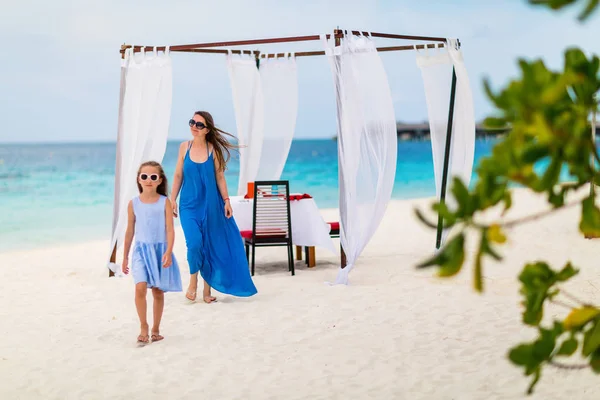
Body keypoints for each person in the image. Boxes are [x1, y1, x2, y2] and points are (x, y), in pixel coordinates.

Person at [170, 111, 257, 303]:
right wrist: (172, 199)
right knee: (194, 244)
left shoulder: (213, 151)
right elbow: (178, 175)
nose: (194, 126)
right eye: (192, 122)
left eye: (199, 124)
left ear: (207, 129)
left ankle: (207, 291)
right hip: (188, 205)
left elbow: (219, 177)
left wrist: (226, 200)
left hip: (211, 204)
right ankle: (193, 282)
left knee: (208, 244)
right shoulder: (184, 147)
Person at [122, 161, 182, 344]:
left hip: (160, 250)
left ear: (159, 180)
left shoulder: (165, 202)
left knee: (157, 291)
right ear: (139, 179)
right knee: (139, 288)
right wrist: (124, 257)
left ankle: (156, 329)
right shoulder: (133, 203)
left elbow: (170, 229)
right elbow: (130, 230)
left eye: (153, 177)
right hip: (140, 251)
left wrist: (169, 251)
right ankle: (143, 326)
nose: (148, 180)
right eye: (144, 176)